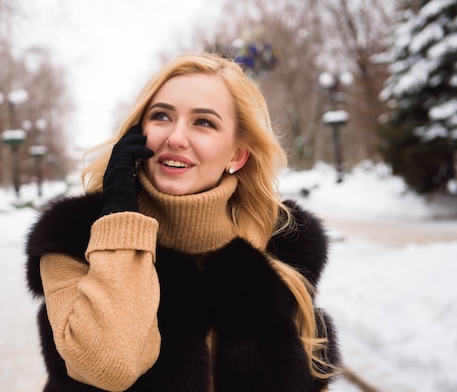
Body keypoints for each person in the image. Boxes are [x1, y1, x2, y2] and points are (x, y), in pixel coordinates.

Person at [25, 53, 340, 391]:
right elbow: (108, 366)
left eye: (203, 122)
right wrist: (119, 218)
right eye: (161, 116)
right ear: (138, 131)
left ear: (237, 154)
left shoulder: (282, 249)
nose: (175, 137)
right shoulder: (74, 240)